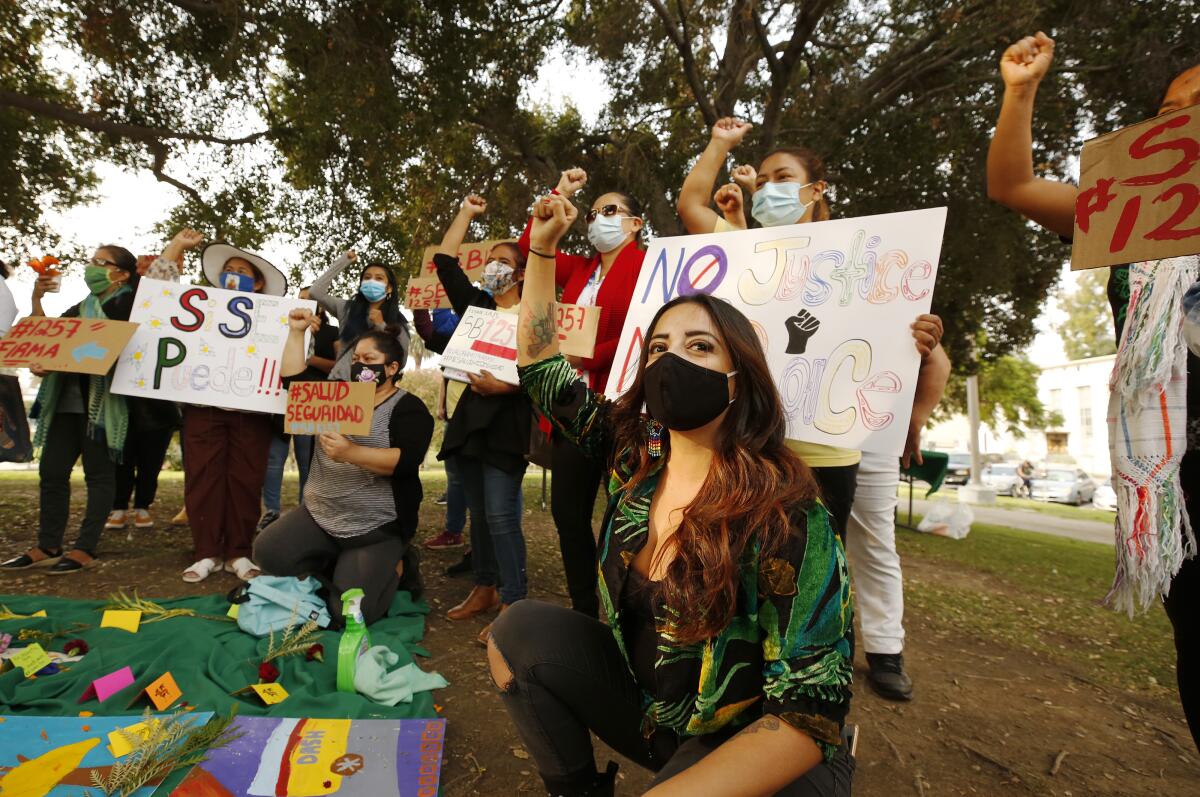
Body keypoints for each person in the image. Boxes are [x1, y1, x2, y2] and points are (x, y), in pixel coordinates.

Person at [490, 193, 854, 796]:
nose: (672, 361)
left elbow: (806, 716)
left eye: (700, 346)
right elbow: (540, 367)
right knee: (518, 634)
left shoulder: (788, 515)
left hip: (759, 742)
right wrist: (544, 249)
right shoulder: (633, 458)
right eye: (658, 348)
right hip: (660, 719)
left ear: (741, 379)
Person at [986, 31, 1200, 751]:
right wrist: (1020, 90)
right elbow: (1012, 186)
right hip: (1179, 489)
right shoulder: (1132, 220)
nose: (1177, 120)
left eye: (1197, 106)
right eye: (1167, 109)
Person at [517, 168, 648, 618]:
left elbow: (644, 332)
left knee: (625, 518)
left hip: (623, 411)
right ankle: (584, 608)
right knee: (569, 517)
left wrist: (586, 356)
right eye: (592, 213)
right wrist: (559, 192)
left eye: (610, 211)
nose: (597, 219)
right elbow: (529, 247)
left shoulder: (648, 266)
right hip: (572, 414)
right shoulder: (582, 267)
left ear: (635, 224)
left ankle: (625, 608)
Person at [254, 313, 433, 626]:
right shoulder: (334, 395)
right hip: (320, 514)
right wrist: (296, 333)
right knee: (268, 553)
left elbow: (406, 461)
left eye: (371, 359)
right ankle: (334, 562)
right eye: (357, 358)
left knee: (351, 614)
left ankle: (397, 564)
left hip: (373, 527)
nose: (361, 365)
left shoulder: (409, 408)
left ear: (392, 368)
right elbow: (293, 381)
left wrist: (352, 453)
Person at [141, 229, 288, 583]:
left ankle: (239, 551)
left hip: (252, 413)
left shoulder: (274, 317)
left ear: (256, 285)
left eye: (242, 271)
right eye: (229, 269)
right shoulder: (197, 306)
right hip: (202, 409)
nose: (233, 274)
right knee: (202, 480)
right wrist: (176, 247)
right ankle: (205, 552)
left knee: (246, 481)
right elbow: (157, 298)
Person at [1, 246, 139, 574]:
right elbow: (46, 336)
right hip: (63, 404)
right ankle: (48, 543)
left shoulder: (130, 305)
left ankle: (86, 547)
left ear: (122, 274)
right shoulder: (81, 308)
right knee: (51, 472)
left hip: (102, 408)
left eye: (100, 263)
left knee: (99, 476)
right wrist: (37, 301)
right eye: (92, 261)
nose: (91, 267)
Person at [436, 195, 531, 645]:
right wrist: (466, 214)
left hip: (508, 426)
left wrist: (507, 387)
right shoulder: (476, 305)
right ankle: (486, 587)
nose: (493, 267)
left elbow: (550, 374)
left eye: (504, 262)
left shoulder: (538, 315)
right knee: (478, 513)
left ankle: (514, 602)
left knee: (501, 517)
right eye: (490, 261)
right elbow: (443, 260)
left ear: (523, 272)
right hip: (469, 425)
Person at [258, 287, 338, 530]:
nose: (305, 302)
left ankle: (306, 512)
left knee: (307, 461)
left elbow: (338, 365)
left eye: (311, 299)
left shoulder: (332, 332)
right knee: (274, 460)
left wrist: (308, 359)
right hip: (280, 400)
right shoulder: (283, 328)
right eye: (301, 298)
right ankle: (270, 512)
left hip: (311, 403)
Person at [413, 307, 470, 552]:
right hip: (453, 416)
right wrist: (442, 401)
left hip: (484, 416)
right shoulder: (449, 329)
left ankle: (486, 545)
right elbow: (430, 335)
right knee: (455, 478)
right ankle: (453, 531)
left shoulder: (482, 315)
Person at [309, 250, 412, 382]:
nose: (372, 282)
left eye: (379, 278)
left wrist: (381, 326)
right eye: (367, 278)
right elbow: (315, 292)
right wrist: (344, 260)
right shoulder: (347, 309)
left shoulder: (398, 321)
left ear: (389, 288)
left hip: (372, 389)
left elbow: (401, 361)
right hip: (339, 382)